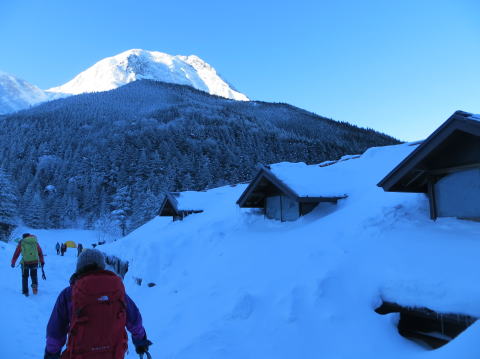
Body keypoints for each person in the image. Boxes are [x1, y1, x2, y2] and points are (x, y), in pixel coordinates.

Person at [44, 249, 152, 359]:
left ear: (79, 268)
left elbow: (56, 331)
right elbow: (135, 321)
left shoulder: (68, 294)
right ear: (102, 266)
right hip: (115, 354)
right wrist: (141, 341)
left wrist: (52, 353)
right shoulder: (117, 291)